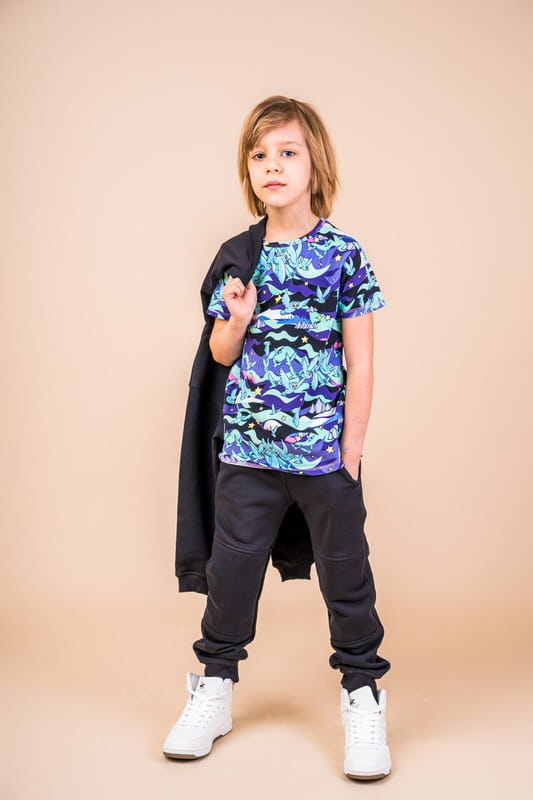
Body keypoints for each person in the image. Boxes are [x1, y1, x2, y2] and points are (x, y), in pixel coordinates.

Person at [163, 95, 392, 781]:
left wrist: (351, 449)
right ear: (249, 170)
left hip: (324, 457)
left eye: (287, 152)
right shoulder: (240, 256)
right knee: (230, 578)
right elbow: (221, 354)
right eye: (259, 155)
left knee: (347, 576)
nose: (273, 165)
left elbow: (362, 361)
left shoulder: (344, 254)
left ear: (314, 163)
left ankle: (363, 692)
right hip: (247, 456)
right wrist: (235, 317)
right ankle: (214, 689)